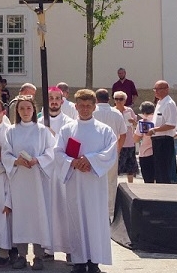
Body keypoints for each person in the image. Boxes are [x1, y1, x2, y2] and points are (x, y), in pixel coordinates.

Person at [54, 90, 119, 273]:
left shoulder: (104, 130)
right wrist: (73, 162)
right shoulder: (67, 129)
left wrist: (90, 160)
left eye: (88, 106)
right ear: (75, 106)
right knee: (77, 220)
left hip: (94, 183)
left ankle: (94, 261)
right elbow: (57, 152)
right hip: (75, 181)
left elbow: (110, 152)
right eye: (81, 106)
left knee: (95, 220)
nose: (84, 109)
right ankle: (79, 261)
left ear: (94, 107)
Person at [3, 96, 55, 270]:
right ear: (17, 111)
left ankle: (39, 256)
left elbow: (51, 151)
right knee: (21, 218)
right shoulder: (11, 131)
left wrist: (38, 160)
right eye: (22, 109)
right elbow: (5, 153)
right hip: (19, 181)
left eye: (28, 108)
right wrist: (15, 161)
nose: (25, 112)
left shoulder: (42, 131)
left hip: (37, 180)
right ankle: (21, 255)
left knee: (38, 216)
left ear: (34, 110)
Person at [92, 88, 128, 217]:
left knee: (94, 181)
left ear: (96, 99)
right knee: (111, 182)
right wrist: (118, 149)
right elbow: (123, 134)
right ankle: (109, 211)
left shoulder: (92, 112)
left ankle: (95, 209)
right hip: (111, 153)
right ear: (109, 99)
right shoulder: (116, 113)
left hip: (94, 154)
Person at [147, 80, 177, 184]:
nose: (155, 92)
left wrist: (155, 130)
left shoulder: (169, 103)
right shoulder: (160, 103)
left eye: (158, 89)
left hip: (164, 141)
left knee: (165, 170)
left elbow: (171, 124)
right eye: (154, 89)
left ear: (166, 90)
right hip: (157, 140)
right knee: (159, 170)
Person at [113, 91, 139, 184]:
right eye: (116, 99)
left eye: (121, 99)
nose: (118, 101)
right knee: (117, 166)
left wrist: (133, 122)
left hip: (129, 141)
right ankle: (114, 184)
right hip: (118, 142)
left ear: (125, 100)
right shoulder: (113, 111)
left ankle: (131, 184)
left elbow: (136, 125)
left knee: (130, 166)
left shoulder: (129, 110)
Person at [134, 102, 156, 183]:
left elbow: (136, 139)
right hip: (159, 152)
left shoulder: (142, 122)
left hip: (145, 152)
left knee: (148, 180)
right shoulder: (159, 119)